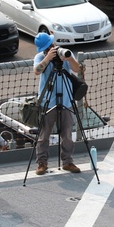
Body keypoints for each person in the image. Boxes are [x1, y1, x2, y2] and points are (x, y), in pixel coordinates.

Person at [33, 29, 82, 176]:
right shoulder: (40, 57)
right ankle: (42, 163)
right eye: (48, 48)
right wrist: (47, 58)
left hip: (66, 101)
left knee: (67, 134)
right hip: (48, 103)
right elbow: (37, 70)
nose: (51, 48)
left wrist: (68, 58)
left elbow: (76, 69)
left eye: (51, 45)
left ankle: (67, 161)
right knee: (43, 135)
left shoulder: (65, 53)